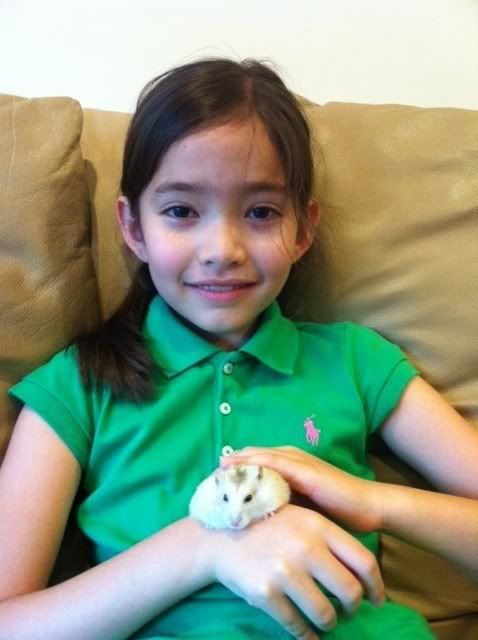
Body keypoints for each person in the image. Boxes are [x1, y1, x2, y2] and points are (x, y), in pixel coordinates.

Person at [0, 58, 477, 640]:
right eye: (181, 211)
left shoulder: (356, 361)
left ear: (303, 229)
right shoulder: (78, 385)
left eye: (260, 212)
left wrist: (370, 501)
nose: (222, 249)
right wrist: (206, 547)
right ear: (133, 227)